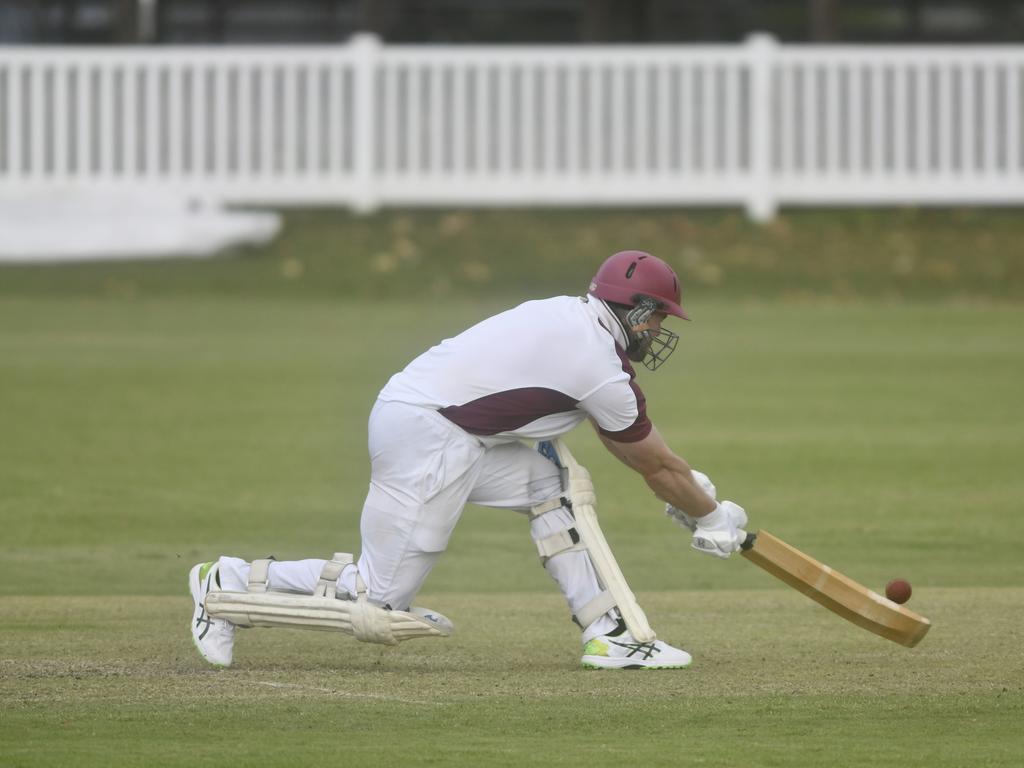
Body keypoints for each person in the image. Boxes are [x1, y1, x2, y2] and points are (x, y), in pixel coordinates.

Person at [189, 250, 749, 670]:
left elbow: (645, 459)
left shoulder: (570, 316)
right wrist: (711, 516)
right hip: (429, 432)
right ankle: (226, 586)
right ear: (637, 310)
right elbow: (655, 466)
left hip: (436, 424)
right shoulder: (599, 364)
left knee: (550, 484)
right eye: (657, 318)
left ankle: (611, 635)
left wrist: (688, 493)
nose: (658, 330)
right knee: (378, 601)